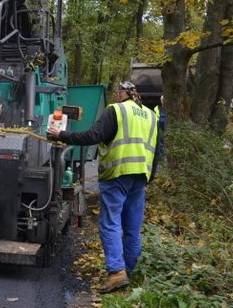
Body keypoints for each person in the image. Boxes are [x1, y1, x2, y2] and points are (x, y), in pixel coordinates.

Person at [47, 81, 158, 294]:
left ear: (124, 93)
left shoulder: (116, 110)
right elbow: (157, 151)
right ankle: (129, 272)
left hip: (118, 174)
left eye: (118, 92)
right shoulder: (151, 115)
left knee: (111, 223)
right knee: (132, 228)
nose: (116, 96)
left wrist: (61, 135)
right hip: (140, 177)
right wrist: (148, 179)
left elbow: (92, 136)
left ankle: (117, 273)